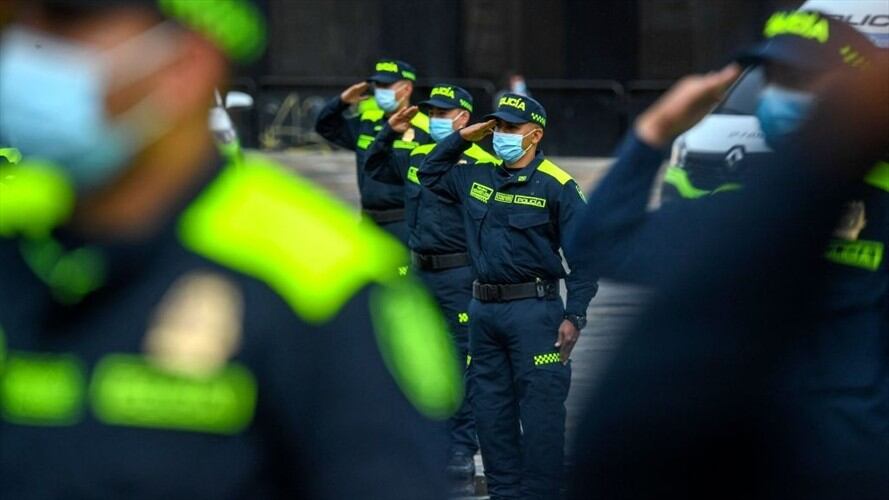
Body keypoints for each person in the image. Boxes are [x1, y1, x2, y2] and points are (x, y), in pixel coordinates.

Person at [0, 1, 461, 498]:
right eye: (16, 23)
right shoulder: (14, 230)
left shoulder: (325, 285)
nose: (27, 53)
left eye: (69, 23)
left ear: (187, 62)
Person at [567, 11, 888, 499]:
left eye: (800, 80)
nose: (778, 97)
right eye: (773, 79)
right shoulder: (747, 213)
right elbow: (600, 241)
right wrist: (656, 129)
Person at [419, 93, 598, 499]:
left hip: (535, 313)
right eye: (497, 126)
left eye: (510, 128)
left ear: (535, 135)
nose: (500, 134)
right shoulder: (478, 176)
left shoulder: (558, 186)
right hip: (484, 312)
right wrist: (464, 136)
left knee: (541, 417)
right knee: (491, 414)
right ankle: (504, 494)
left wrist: (576, 316)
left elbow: (587, 259)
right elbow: (429, 173)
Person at [363, 83, 499, 490]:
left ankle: (460, 447)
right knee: (415, 357)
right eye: (432, 113)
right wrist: (389, 130)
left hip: (459, 275)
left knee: (462, 362)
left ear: (463, 118)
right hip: (419, 272)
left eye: (443, 113)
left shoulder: (483, 162)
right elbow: (373, 165)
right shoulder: (421, 155)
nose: (435, 119)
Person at [315, 58, 431, 244]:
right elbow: (325, 127)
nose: (380, 91)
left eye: (387, 85)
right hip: (368, 222)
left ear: (407, 89)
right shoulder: (367, 120)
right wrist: (342, 101)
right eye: (377, 86)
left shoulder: (426, 127)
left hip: (405, 222)